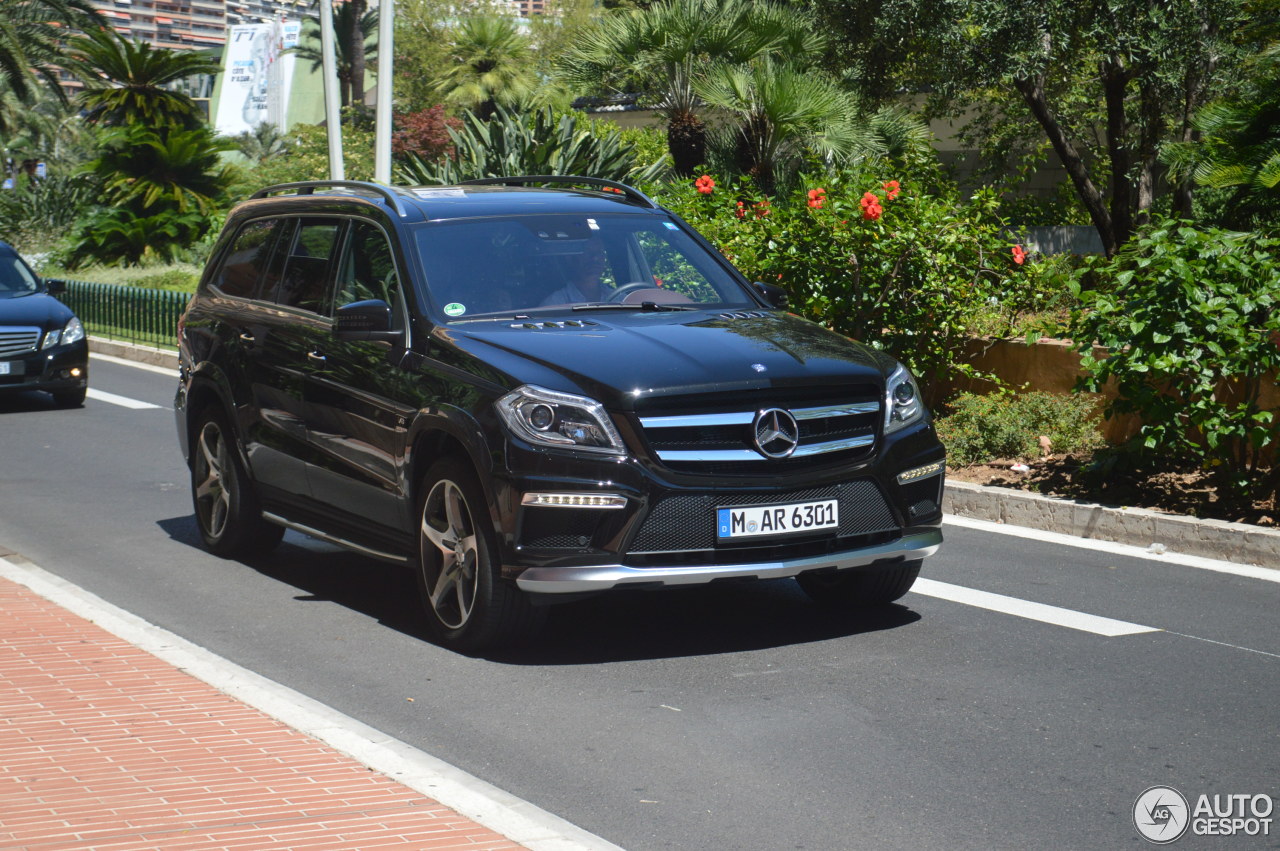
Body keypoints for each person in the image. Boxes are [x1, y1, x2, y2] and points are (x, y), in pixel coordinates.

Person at [540, 239, 611, 305]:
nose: (595, 258)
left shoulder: (618, 298)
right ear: (570, 258)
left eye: (599, 252)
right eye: (588, 252)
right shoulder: (555, 303)